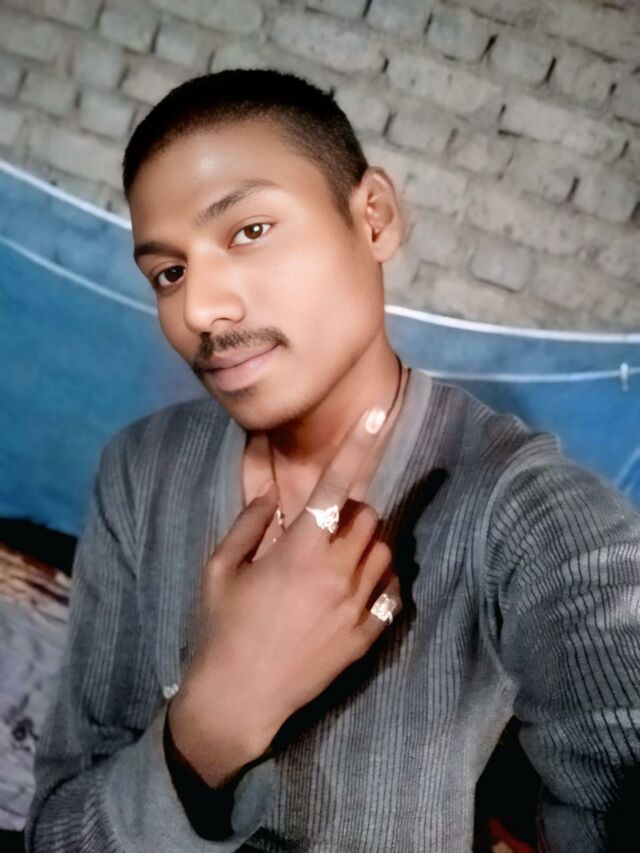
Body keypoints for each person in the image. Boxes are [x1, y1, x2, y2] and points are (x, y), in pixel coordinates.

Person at [25, 69, 640, 852]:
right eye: (168, 273)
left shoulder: (518, 505)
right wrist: (217, 715)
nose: (199, 309)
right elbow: (58, 830)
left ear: (373, 217)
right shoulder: (141, 468)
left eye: (249, 230)